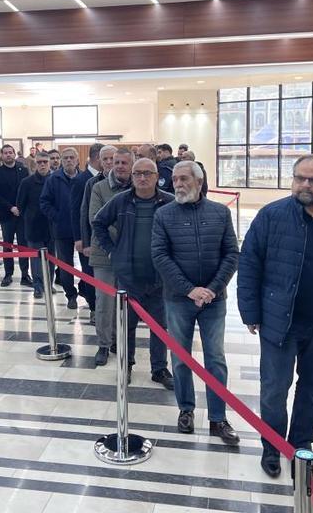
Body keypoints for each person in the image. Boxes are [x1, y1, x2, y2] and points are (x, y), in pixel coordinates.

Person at [238, 155, 313, 478]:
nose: (305, 184)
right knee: (274, 390)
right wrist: (250, 311)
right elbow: (249, 263)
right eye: (299, 178)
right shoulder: (271, 215)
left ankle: (301, 446)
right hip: (280, 321)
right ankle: (272, 447)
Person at [151, 160, 240, 445]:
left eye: (184, 179)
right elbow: (160, 256)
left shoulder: (220, 213)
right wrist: (189, 290)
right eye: (175, 179)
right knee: (180, 358)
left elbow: (231, 254)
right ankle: (186, 409)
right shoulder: (163, 214)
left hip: (214, 300)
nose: (177, 184)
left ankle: (218, 418)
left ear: (199, 182)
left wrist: (212, 289)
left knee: (216, 359)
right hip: (178, 300)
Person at [93, 157, 175, 389]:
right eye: (137, 173)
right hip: (128, 277)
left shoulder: (169, 202)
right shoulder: (121, 201)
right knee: (126, 326)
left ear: (157, 176)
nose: (142, 178)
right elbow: (98, 222)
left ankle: (159, 369)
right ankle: (126, 365)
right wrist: (112, 251)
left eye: (147, 173)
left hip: (159, 278)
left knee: (160, 326)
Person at [88, 148, 133, 364]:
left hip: (132, 255)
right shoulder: (99, 188)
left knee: (125, 301)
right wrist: (126, 235)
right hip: (104, 253)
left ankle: (118, 340)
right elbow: (96, 219)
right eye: (116, 162)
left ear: (131, 165)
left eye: (124, 163)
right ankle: (104, 344)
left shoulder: (138, 187)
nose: (120, 166)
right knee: (104, 302)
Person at [79, 145, 117, 325]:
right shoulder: (92, 183)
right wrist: (85, 242)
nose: (109, 162)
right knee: (103, 296)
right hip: (100, 244)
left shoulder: (129, 182)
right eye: (105, 159)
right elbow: (85, 213)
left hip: (123, 246)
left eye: (112, 158)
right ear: (100, 161)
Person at [40, 147, 80, 307]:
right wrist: (57, 217)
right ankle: (71, 295)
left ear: (77, 160)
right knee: (65, 264)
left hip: (82, 230)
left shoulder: (84, 178)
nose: (69, 160)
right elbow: (44, 202)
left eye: (71, 157)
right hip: (62, 229)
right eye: (66, 158)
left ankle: (87, 291)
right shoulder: (53, 179)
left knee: (88, 265)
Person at [0, 144, 33, 288]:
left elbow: (28, 190)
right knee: (7, 245)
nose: (8, 155)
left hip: (22, 215)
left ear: (15, 154)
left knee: (23, 245)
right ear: (2, 155)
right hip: (6, 214)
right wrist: (11, 207)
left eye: (10, 152)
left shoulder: (23, 170)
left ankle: (25, 275)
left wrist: (21, 208)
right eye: (6, 153)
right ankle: (8, 274)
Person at [70, 143, 104, 317]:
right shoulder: (81, 180)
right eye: (106, 158)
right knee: (89, 273)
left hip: (102, 237)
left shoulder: (104, 178)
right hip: (87, 237)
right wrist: (79, 238)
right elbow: (76, 211)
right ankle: (93, 308)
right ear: (98, 158)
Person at [17, 152, 52, 299]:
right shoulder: (27, 182)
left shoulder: (55, 180)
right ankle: (38, 286)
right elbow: (20, 204)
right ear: (35, 164)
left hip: (51, 227)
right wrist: (30, 216)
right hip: (34, 226)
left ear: (49, 163)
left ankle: (48, 284)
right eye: (39, 162)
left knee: (51, 258)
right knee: (36, 259)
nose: (42, 165)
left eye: (45, 162)